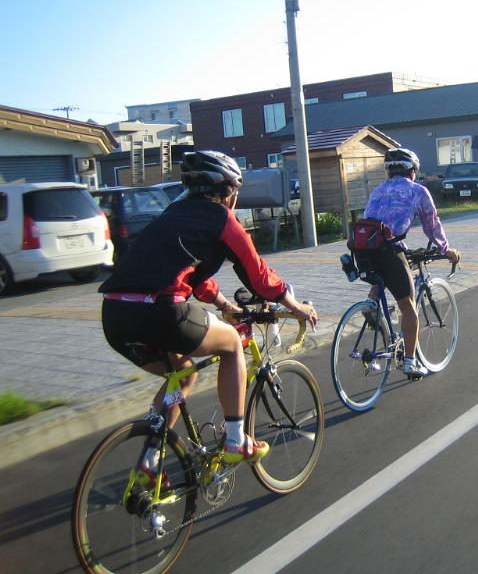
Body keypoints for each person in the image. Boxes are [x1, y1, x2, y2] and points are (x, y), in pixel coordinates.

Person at [99, 150, 317, 482]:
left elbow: (192, 275)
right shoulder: (222, 218)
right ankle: (236, 440)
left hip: (115, 315)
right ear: (228, 191)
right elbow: (258, 275)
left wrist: (225, 305)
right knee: (231, 344)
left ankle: (149, 463)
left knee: (181, 376)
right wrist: (296, 305)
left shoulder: (171, 215)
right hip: (161, 312)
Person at [360, 147, 459, 380]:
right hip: (389, 250)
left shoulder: (378, 190)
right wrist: (446, 249)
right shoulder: (417, 191)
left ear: (388, 172)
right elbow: (431, 224)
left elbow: (373, 223)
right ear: (412, 171)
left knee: (384, 273)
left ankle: (372, 302)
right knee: (408, 306)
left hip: (363, 250)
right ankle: (410, 361)